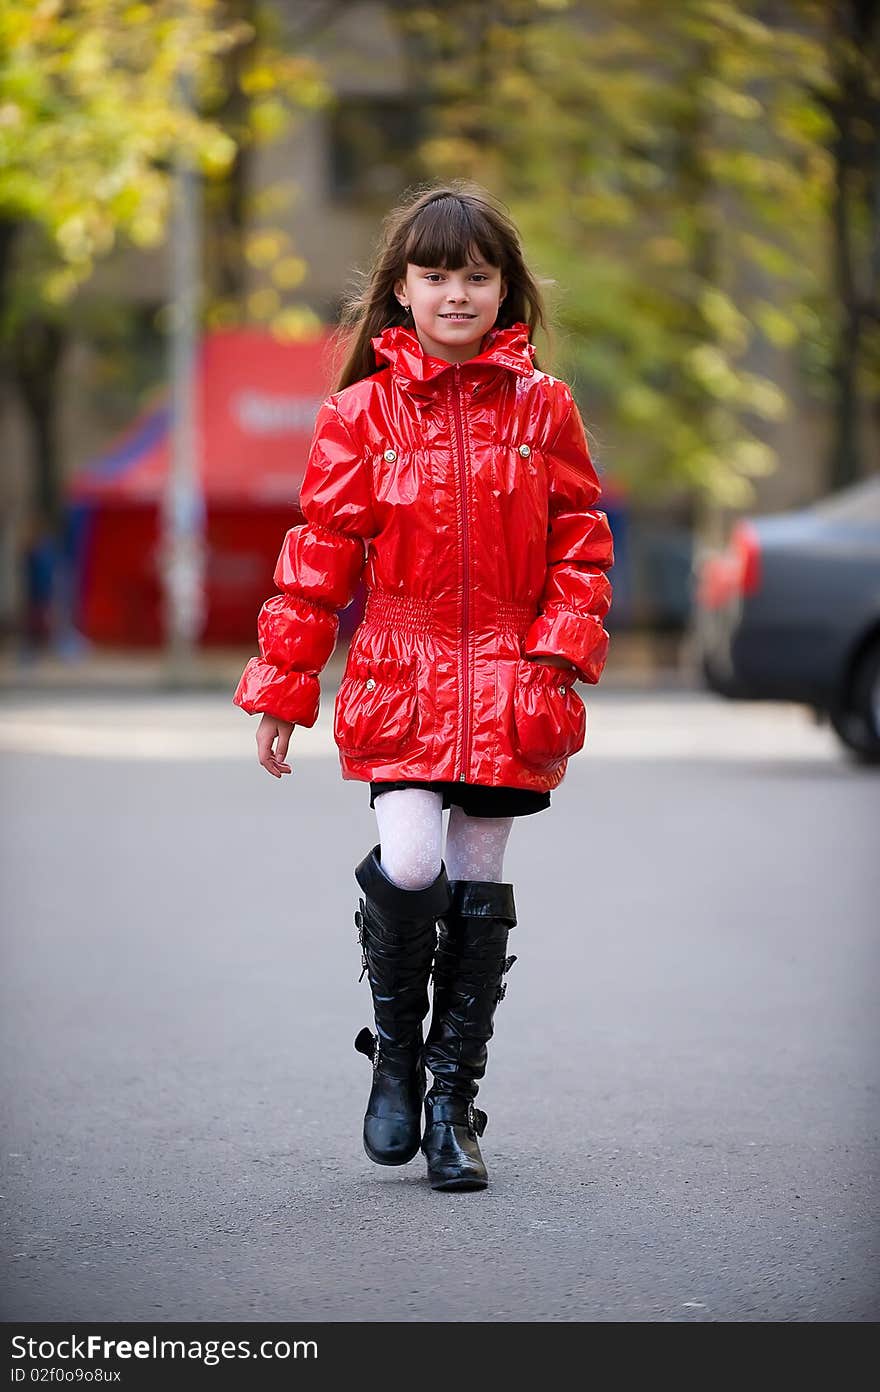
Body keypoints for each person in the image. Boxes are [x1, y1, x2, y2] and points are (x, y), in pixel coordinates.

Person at [233, 182, 614, 1192]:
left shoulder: (546, 409)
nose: (456, 293)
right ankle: (394, 1056)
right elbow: (320, 555)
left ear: (504, 288)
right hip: (400, 674)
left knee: (479, 882)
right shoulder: (357, 414)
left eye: (476, 275)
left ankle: (451, 1099)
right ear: (401, 289)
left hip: (508, 678)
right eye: (437, 274)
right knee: (409, 864)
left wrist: (558, 648)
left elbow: (580, 538)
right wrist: (282, 686)